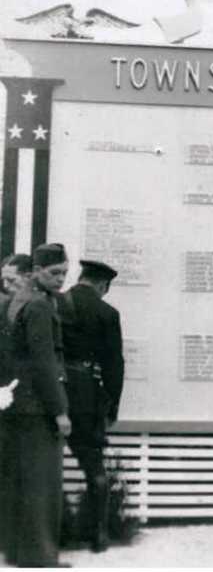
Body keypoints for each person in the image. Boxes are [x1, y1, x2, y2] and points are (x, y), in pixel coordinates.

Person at [3, 243, 71, 567]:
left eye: (64, 274)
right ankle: (41, 558)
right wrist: (59, 411)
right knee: (43, 485)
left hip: (19, 405)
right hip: (40, 408)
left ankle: (20, 553)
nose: (60, 280)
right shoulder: (41, 307)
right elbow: (45, 363)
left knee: (23, 483)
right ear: (37, 271)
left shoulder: (19, 300)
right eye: (54, 273)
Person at [58, 259, 124, 553]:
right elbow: (114, 365)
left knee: (47, 462)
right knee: (93, 465)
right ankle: (99, 536)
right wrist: (112, 406)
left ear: (81, 277)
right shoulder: (107, 313)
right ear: (102, 284)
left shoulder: (56, 302)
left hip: (54, 390)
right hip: (86, 394)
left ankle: (53, 531)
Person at [0, 254, 34, 557]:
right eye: (4, 279)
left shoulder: (33, 306)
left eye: (11, 279)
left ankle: (12, 543)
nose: (5, 285)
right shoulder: (3, 306)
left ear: (27, 276)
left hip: (19, 402)